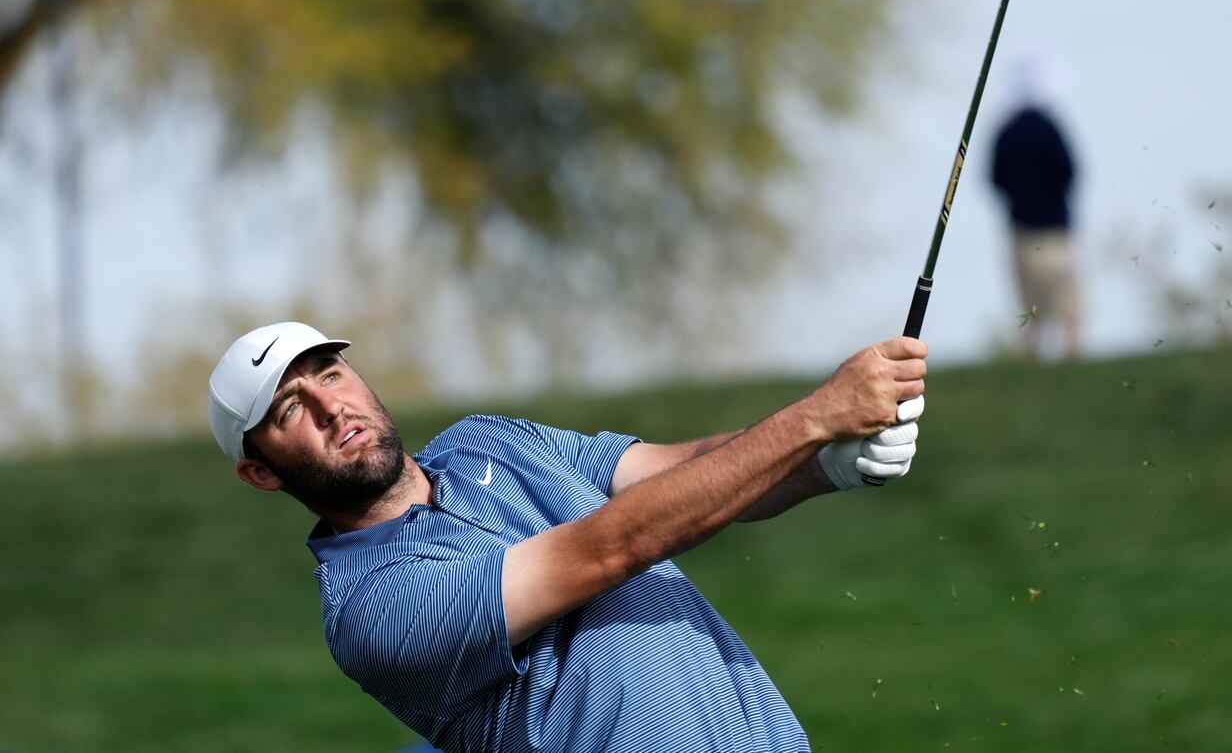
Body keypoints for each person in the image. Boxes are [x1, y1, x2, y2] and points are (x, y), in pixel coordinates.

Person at [207, 321, 927, 752]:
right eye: (290, 410)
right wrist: (811, 419)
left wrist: (824, 464)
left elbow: (677, 472)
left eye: (331, 374)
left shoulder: (488, 440)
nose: (332, 406)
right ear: (261, 472)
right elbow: (612, 546)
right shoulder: (374, 609)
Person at [990, 99, 1081, 359]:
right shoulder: (1050, 128)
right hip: (1054, 230)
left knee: (1030, 302)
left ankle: (1032, 356)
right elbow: (1069, 170)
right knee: (1065, 298)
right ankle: (1072, 353)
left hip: (1021, 228)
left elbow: (995, 178)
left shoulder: (1006, 132)